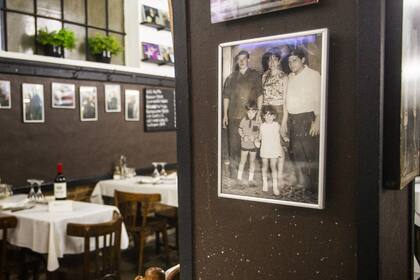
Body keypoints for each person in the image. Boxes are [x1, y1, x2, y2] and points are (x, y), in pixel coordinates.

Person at [285, 47, 321, 193]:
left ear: (303, 60)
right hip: (293, 119)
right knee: (297, 152)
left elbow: (319, 99)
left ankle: (316, 186)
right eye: (289, 62)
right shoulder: (290, 77)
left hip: (308, 118)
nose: (291, 64)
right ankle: (303, 183)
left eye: (294, 60)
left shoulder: (313, 75)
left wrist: (317, 121)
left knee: (310, 153)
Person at [222, 50, 263, 175]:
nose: (241, 61)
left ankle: (245, 172)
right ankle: (235, 172)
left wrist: (259, 113)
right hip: (233, 116)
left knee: (249, 144)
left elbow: (260, 95)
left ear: (248, 60)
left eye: (244, 58)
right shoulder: (231, 78)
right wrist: (225, 115)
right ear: (236, 61)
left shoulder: (255, 75)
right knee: (234, 145)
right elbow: (226, 98)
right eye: (239, 59)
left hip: (249, 116)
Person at [261, 51, 288, 185]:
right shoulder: (265, 75)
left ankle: (280, 175)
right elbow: (262, 95)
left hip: (278, 110)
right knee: (268, 142)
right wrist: (261, 114)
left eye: (274, 60)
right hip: (266, 110)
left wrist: (284, 121)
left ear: (278, 61)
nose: (271, 63)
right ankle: (271, 176)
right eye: (269, 60)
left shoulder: (284, 76)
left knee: (279, 144)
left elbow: (286, 101)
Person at [258, 106, 284, 195]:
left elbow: (281, 134)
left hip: (274, 149)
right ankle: (265, 184)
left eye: (270, 114)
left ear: (274, 116)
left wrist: (285, 137)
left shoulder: (277, 125)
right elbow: (260, 137)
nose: (268, 117)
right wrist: (257, 140)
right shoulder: (262, 126)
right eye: (266, 115)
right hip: (265, 148)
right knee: (264, 166)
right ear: (263, 116)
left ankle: (275, 186)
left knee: (273, 167)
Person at [237, 101, 260, 183]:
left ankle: (250, 178)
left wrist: (256, 137)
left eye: (253, 111)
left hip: (253, 145)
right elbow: (239, 129)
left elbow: (259, 133)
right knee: (242, 161)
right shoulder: (244, 120)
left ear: (256, 111)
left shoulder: (258, 121)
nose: (251, 114)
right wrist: (243, 136)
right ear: (246, 111)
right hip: (244, 144)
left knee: (252, 161)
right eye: (249, 111)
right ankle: (239, 178)